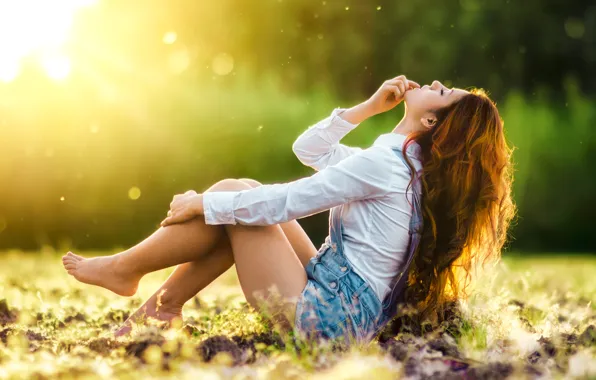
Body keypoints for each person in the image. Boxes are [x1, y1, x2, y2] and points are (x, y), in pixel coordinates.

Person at [62, 75, 515, 342]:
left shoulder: (387, 166)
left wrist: (202, 201)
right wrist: (369, 107)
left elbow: (292, 199)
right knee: (241, 201)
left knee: (236, 197)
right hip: (340, 300)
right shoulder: (400, 166)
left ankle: (132, 276)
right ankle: (158, 302)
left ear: (432, 121)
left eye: (443, 92)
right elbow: (310, 149)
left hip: (326, 321)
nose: (434, 82)